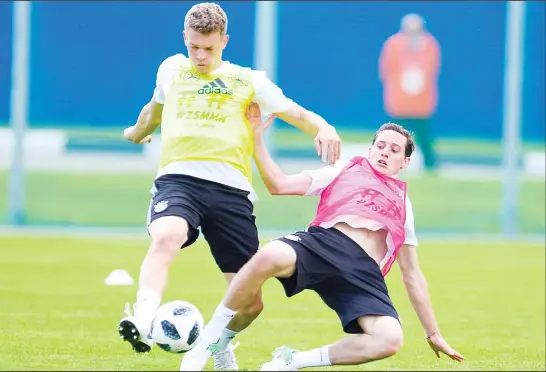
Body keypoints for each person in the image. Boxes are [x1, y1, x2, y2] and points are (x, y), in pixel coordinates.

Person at [118, 3, 342, 370]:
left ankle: (219, 343)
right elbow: (153, 111)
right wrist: (135, 133)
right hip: (179, 178)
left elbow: (297, 113)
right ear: (185, 40)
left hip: (231, 191)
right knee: (165, 235)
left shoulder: (248, 80)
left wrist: (324, 128)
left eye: (209, 48)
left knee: (251, 303)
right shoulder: (171, 68)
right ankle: (143, 318)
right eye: (194, 48)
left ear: (224, 40)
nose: (201, 56)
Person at [180, 104, 464, 371]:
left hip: (363, 274)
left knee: (390, 340)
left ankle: (294, 360)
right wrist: (256, 142)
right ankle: (211, 339)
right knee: (267, 256)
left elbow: (411, 274)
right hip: (324, 244)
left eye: (394, 149)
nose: (385, 152)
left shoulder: (404, 206)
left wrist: (433, 333)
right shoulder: (344, 171)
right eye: (380, 145)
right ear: (370, 149)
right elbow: (279, 185)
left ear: (405, 161)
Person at [379, 13, 441, 171]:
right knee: (394, 136)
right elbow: (386, 69)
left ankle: (430, 164)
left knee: (424, 135)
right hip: (399, 101)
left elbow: (432, 68)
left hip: (422, 102)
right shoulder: (393, 44)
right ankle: (390, 163)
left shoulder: (429, 44)